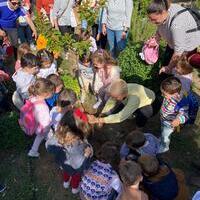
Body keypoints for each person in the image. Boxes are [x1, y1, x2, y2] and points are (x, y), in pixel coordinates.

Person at [46, 110, 93, 194]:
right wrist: (86, 155)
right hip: (74, 169)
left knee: (66, 172)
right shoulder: (80, 147)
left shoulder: (57, 137)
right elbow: (80, 167)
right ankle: (74, 189)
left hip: (63, 163)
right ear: (79, 134)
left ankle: (66, 183)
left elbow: (48, 147)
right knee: (76, 177)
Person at [147, 0, 200, 71]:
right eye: (150, 19)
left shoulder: (177, 25)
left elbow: (178, 53)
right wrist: (156, 38)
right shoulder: (166, 8)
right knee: (166, 60)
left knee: (179, 69)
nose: (152, 22)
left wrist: (168, 68)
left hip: (186, 47)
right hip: (175, 42)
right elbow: (161, 25)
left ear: (163, 12)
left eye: (154, 20)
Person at [88, 79, 155, 128]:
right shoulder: (122, 88)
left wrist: (99, 120)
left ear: (121, 95)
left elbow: (120, 117)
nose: (113, 98)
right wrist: (103, 114)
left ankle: (139, 127)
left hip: (148, 103)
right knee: (119, 108)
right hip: (130, 99)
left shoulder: (134, 99)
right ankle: (131, 114)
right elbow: (110, 102)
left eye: (115, 97)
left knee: (143, 115)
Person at [159, 77, 188, 153]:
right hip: (163, 118)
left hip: (170, 123)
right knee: (163, 131)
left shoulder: (181, 101)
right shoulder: (170, 93)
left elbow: (185, 114)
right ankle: (162, 138)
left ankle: (164, 147)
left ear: (174, 94)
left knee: (166, 136)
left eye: (164, 94)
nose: (162, 95)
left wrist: (178, 120)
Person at [27, 78, 55, 157]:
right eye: (51, 92)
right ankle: (35, 150)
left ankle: (34, 150)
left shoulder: (33, 97)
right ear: (45, 94)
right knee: (43, 136)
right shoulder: (43, 107)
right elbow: (46, 122)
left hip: (34, 123)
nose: (52, 94)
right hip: (42, 127)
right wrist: (53, 121)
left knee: (40, 137)